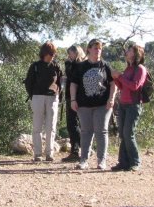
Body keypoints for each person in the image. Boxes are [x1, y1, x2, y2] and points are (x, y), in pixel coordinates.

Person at [69, 38, 115, 171]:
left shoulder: (106, 66)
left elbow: (113, 84)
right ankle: (83, 160)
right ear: (89, 49)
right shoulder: (80, 66)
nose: (98, 50)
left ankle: (101, 161)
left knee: (102, 131)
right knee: (86, 132)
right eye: (95, 47)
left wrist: (111, 98)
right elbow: (73, 84)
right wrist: (73, 100)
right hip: (84, 105)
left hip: (103, 104)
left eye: (100, 48)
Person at [111, 42, 149, 172]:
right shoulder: (128, 69)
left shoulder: (141, 69)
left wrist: (120, 76)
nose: (126, 52)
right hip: (123, 104)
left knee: (129, 133)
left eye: (129, 50)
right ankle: (123, 162)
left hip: (133, 105)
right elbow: (123, 87)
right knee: (123, 134)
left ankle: (135, 162)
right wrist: (116, 79)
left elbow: (135, 86)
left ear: (136, 53)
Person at [24, 41, 62, 162]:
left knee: (51, 127)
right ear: (45, 53)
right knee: (37, 126)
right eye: (51, 53)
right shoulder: (35, 66)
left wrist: (57, 94)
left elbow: (60, 83)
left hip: (52, 98)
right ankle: (38, 154)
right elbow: (28, 82)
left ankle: (49, 153)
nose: (53, 55)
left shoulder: (56, 66)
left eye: (54, 53)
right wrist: (33, 95)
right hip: (38, 97)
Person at [62, 45, 86, 162]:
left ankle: (76, 151)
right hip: (76, 97)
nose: (68, 56)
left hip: (74, 97)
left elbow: (71, 77)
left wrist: (68, 65)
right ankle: (80, 149)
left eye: (70, 53)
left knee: (73, 124)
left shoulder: (76, 65)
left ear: (76, 53)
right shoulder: (84, 64)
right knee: (76, 124)